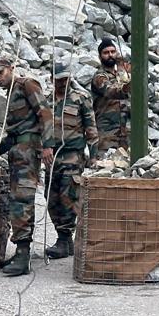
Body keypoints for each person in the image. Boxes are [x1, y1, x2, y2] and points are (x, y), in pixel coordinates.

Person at [0, 56, 51, 277]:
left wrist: (48, 146)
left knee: (22, 199)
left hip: (27, 151)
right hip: (17, 150)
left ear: (11, 68)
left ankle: (23, 255)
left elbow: (45, 114)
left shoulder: (27, 85)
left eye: (0, 72)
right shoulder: (11, 92)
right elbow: (16, 130)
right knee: (17, 199)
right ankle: (20, 250)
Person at [43, 62, 98, 260]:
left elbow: (90, 128)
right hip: (51, 157)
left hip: (73, 155)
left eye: (66, 79)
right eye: (59, 80)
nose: (63, 83)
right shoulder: (46, 102)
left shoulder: (80, 98)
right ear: (52, 80)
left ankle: (65, 238)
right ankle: (62, 237)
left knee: (69, 196)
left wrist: (94, 155)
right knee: (51, 197)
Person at [90, 38, 131, 152]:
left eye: (113, 52)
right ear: (100, 57)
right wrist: (127, 86)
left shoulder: (122, 73)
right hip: (107, 133)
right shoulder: (99, 77)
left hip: (126, 131)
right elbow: (111, 91)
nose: (110, 55)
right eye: (106, 53)